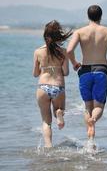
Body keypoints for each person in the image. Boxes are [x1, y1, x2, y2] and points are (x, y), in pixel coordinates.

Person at [67, 5, 107, 145]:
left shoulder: (79, 32)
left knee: (87, 107)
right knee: (99, 107)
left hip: (85, 71)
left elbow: (69, 50)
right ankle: (93, 121)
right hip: (101, 70)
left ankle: (90, 142)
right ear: (101, 16)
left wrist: (74, 63)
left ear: (88, 16)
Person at [33, 20, 71, 148]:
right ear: (58, 36)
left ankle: (48, 147)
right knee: (58, 110)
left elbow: (35, 73)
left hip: (42, 87)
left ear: (45, 35)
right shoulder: (64, 52)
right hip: (58, 86)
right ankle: (59, 113)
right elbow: (66, 72)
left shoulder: (38, 51)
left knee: (46, 122)